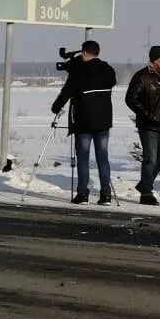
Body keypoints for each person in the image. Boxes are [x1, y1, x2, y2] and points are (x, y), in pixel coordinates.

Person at [51, 39, 118, 205]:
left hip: (84, 121)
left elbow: (66, 92)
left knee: (83, 158)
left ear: (85, 53)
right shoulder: (107, 70)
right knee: (103, 158)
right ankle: (106, 195)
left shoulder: (79, 71)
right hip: (103, 121)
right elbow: (112, 82)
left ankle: (83, 193)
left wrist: (56, 107)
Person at [125, 45, 160, 206]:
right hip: (148, 126)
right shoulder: (142, 76)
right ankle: (146, 193)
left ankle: (144, 184)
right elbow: (131, 98)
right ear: (155, 60)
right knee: (150, 159)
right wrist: (147, 115)